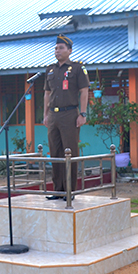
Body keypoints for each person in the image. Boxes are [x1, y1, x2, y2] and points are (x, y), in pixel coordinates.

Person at [42, 34, 90, 200]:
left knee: (69, 151)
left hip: (70, 114)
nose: (57, 51)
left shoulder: (77, 68)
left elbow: (84, 91)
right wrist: (45, 114)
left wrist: (83, 114)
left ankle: (70, 190)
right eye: (56, 48)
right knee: (55, 153)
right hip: (53, 115)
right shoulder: (50, 69)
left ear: (69, 50)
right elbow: (47, 93)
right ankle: (58, 189)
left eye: (61, 48)